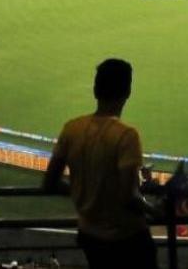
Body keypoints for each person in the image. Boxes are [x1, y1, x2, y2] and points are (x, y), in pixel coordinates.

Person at [43, 59, 157, 269]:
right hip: (127, 237)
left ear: (95, 90)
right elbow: (128, 196)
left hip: (89, 235)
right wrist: (155, 211)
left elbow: (49, 183)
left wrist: (83, 192)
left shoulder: (71, 128)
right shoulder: (127, 136)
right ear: (127, 92)